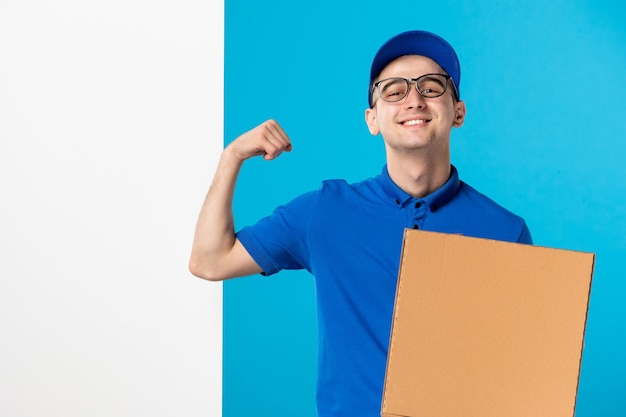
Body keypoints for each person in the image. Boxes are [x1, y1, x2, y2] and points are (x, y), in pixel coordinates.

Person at [189, 30, 532, 417]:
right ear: (372, 119)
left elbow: (521, 374)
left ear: (458, 113)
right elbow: (209, 260)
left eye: (432, 87)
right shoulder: (325, 212)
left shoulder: (506, 232)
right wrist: (231, 157)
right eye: (393, 91)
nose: (414, 100)